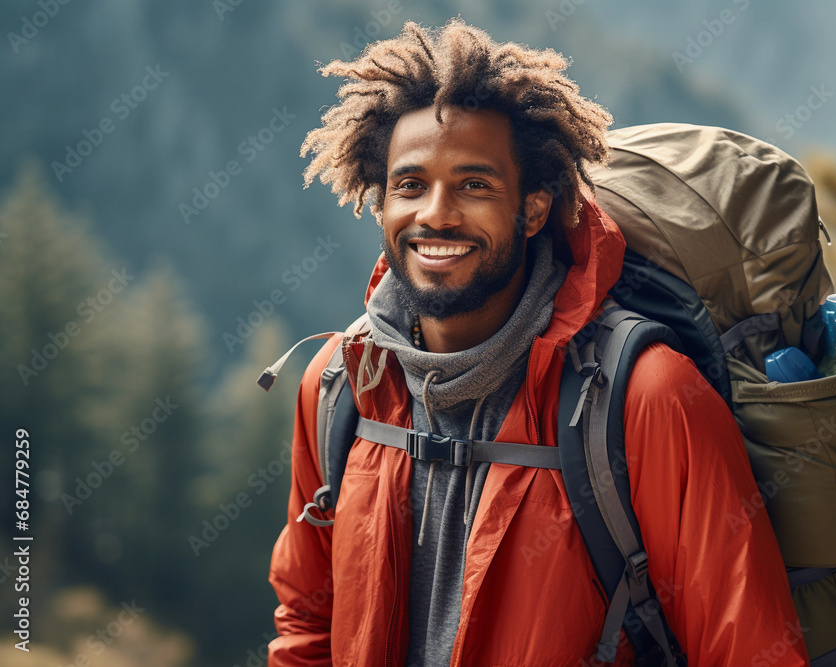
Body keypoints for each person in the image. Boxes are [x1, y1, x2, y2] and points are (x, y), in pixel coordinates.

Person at [268, 18, 808, 666]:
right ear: (380, 202)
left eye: (474, 184)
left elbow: (750, 651)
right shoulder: (339, 386)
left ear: (532, 208)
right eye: (410, 185)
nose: (436, 212)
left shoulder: (646, 400)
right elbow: (307, 622)